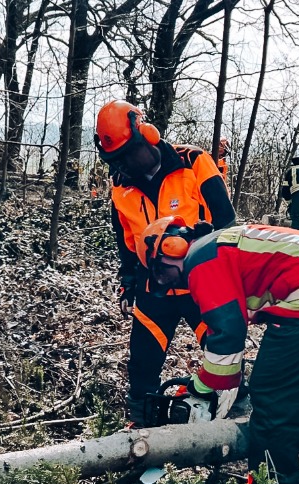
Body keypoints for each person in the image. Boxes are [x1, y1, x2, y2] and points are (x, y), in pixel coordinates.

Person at [136, 216, 299, 484]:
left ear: (170, 249)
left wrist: (199, 387)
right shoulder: (224, 242)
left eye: (162, 273)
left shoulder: (201, 259)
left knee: (273, 406)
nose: (168, 282)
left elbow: (227, 338)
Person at [94, 100, 236, 428]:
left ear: (148, 137)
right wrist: (127, 280)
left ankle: (241, 420)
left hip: (201, 286)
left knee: (224, 357)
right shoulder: (121, 189)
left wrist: (199, 247)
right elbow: (126, 244)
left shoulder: (194, 163)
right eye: (116, 160)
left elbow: (227, 222)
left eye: (128, 154)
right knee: (142, 367)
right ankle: (141, 437)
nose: (124, 165)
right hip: (153, 290)